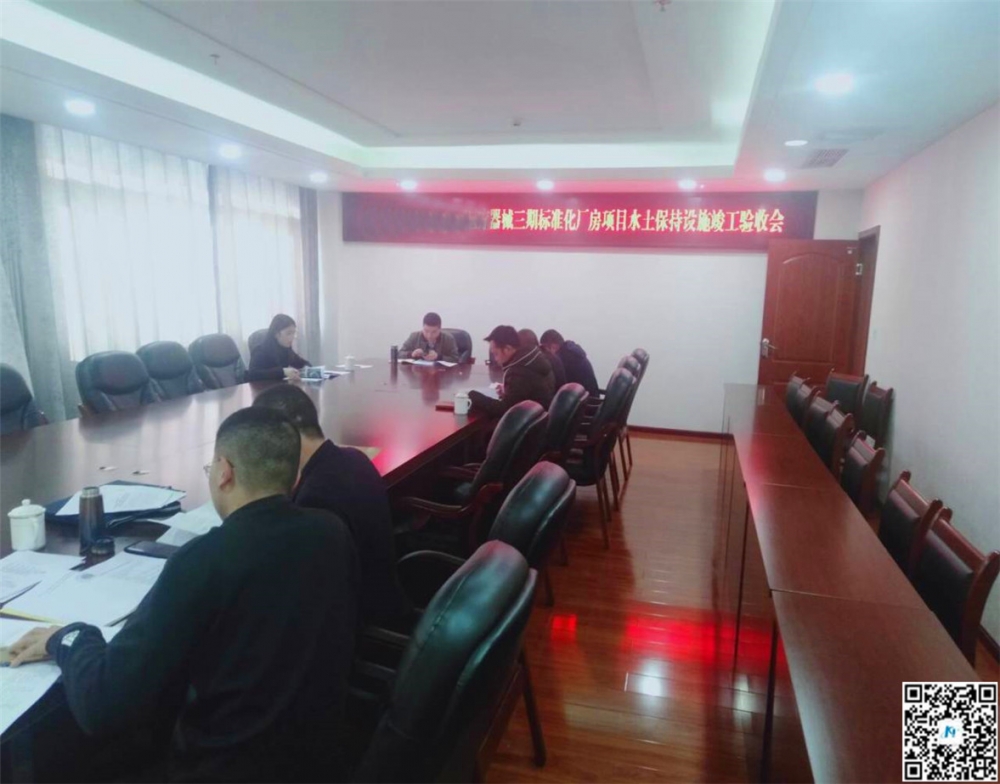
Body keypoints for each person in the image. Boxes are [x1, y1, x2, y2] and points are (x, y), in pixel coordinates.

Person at [8, 408, 359, 783]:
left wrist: (69, 638)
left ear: (224, 472)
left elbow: (103, 706)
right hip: (316, 759)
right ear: (295, 477)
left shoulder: (204, 560)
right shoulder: (332, 532)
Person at [253, 384, 410, 629]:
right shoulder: (353, 457)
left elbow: (316, 595)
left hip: (361, 624)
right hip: (387, 597)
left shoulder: (315, 499)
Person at [469, 325, 554, 416]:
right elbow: (522, 394)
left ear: (507, 349)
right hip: (538, 416)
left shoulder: (519, 372)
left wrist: (474, 396)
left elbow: (505, 410)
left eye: (496, 354)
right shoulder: (530, 359)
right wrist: (509, 390)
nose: (495, 359)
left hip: (530, 421)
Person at [248, 313, 310, 382]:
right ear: (276, 334)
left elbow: (302, 363)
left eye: (294, 333)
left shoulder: (286, 349)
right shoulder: (260, 351)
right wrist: (283, 371)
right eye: (289, 333)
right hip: (264, 388)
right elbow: (252, 374)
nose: (292, 337)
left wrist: (308, 369)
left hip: (281, 386)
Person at [540, 329, 599, 395]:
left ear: (553, 347)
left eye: (544, 350)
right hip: (591, 396)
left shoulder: (563, 359)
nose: (544, 354)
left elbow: (557, 384)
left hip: (585, 399)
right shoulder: (572, 353)